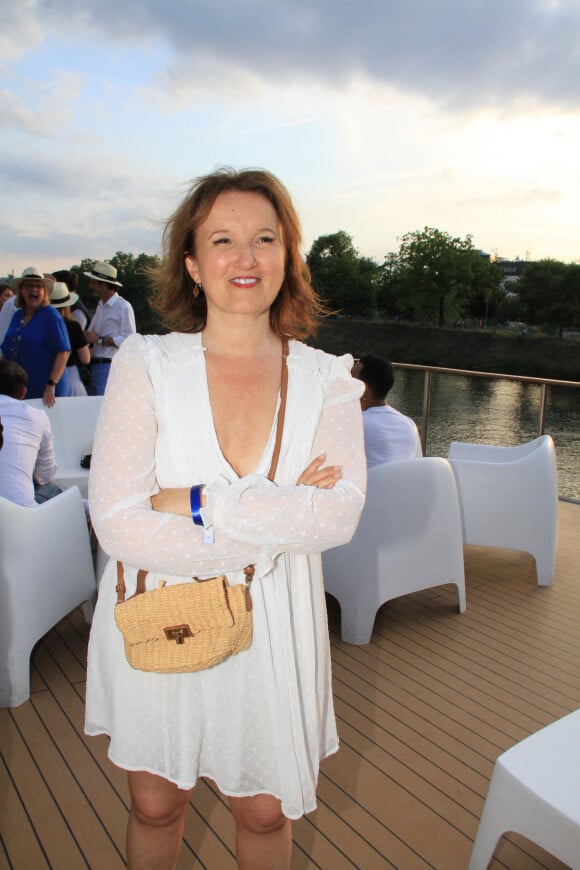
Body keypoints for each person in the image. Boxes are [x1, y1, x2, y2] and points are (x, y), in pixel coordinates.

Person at [85, 168, 366, 869]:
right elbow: (118, 525)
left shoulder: (329, 378)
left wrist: (198, 501)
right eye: (223, 240)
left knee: (264, 815)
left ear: (288, 256)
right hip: (163, 610)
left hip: (275, 627)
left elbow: (338, 517)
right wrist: (275, 519)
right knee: (155, 804)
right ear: (192, 263)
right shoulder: (146, 363)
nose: (246, 258)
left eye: (265, 239)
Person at [0, 267, 70, 406]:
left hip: (46, 392)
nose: (34, 290)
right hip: (22, 389)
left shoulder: (51, 316)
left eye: (38, 286)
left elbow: (63, 352)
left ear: (44, 292)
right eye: (29, 286)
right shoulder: (18, 315)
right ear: (21, 290)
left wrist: (51, 384)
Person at [0, 359, 61, 506]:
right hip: (22, 514)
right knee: (51, 489)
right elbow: (45, 476)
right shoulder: (37, 417)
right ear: (23, 393)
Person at [352, 354, 423, 467]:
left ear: (364, 389)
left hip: (371, 484)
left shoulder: (357, 423)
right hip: (403, 484)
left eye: (352, 380)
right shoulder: (409, 424)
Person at [83, 261, 136, 395]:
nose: (90, 286)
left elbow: (130, 340)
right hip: (97, 365)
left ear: (104, 284)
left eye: (94, 283)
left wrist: (100, 340)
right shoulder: (101, 306)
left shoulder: (123, 307)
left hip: (109, 365)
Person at [49, 281, 91, 396]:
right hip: (70, 374)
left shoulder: (42, 325)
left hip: (46, 374)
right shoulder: (73, 326)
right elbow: (85, 358)